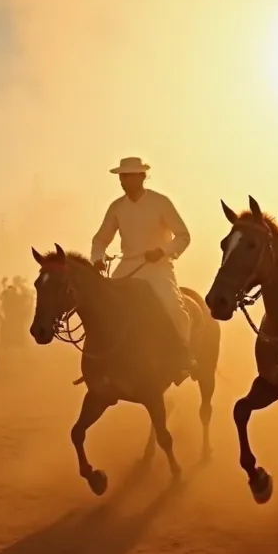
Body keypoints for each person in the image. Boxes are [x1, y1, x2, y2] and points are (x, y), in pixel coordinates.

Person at [91, 155, 193, 384]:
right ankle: (100, 361)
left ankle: (183, 357)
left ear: (142, 177)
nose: (123, 181)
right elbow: (100, 240)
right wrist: (97, 259)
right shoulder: (116, 207)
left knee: (173, 308)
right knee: (102, 307)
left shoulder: (161, 202)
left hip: (158, 267)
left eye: (128, 177)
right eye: (121, 177)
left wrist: (163, 251)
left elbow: (183, 236)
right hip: (127, 266)